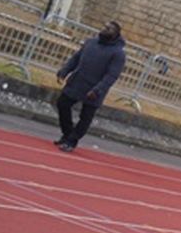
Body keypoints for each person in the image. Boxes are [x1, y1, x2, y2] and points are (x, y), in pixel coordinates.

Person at [52, 21, 128, 153]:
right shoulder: (91, 42)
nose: (104, 29)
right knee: (62, 104)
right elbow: (76, 58)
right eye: (104, 26)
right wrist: (64, 71)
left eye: (108, 29)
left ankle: (72, 141)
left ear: (115, 34)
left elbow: (111, 75)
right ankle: (67, 134)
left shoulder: (118, 54)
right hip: (78, 81)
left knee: (85, 117)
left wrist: (98, 90)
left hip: (94, 89)